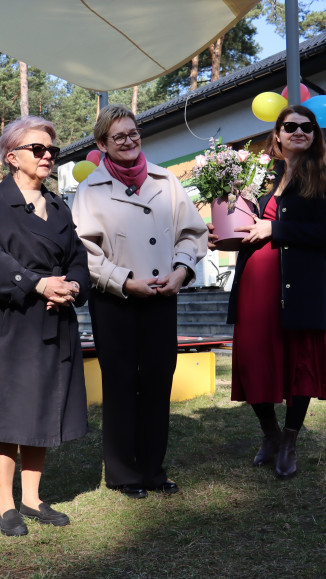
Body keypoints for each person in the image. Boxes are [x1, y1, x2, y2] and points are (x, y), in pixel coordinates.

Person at [0, 116, 91, 537]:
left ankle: (33, 498)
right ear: (12, 156)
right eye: (38, 149)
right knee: (7, 409)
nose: (48, 155)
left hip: (55, 318)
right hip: (11, 318)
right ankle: (5, 503)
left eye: (52, 149)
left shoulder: (59, 206)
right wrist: (37, 284)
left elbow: (77, 256)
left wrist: (72, 284)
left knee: (41, 405)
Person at [73, 105, 207, 499]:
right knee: (119, 383)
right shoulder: (90, 190)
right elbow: (84, 251)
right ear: (103, 144)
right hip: (115, 301)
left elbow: (192, 234)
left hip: (162, 297)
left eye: (134, 133)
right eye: (119, 136)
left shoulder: (167, 181)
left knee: (156, 381)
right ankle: (122, 473)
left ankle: (152, 469)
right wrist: (125, 282)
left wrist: (181, 272)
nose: (129, 141)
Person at [213, 105, 326, 480]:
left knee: (300, 359)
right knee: (256, 359)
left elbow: (325, 234)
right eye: (290, 126)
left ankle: (289, 440)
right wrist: (222, 237)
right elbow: (246, 226)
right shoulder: (261, 176)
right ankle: (269, 434)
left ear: (315, 135)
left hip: (301, 283)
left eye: (307, 127)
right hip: (256, 282)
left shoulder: (324, 177)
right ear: (278, 134)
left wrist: (275, 230)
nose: (299, 131)